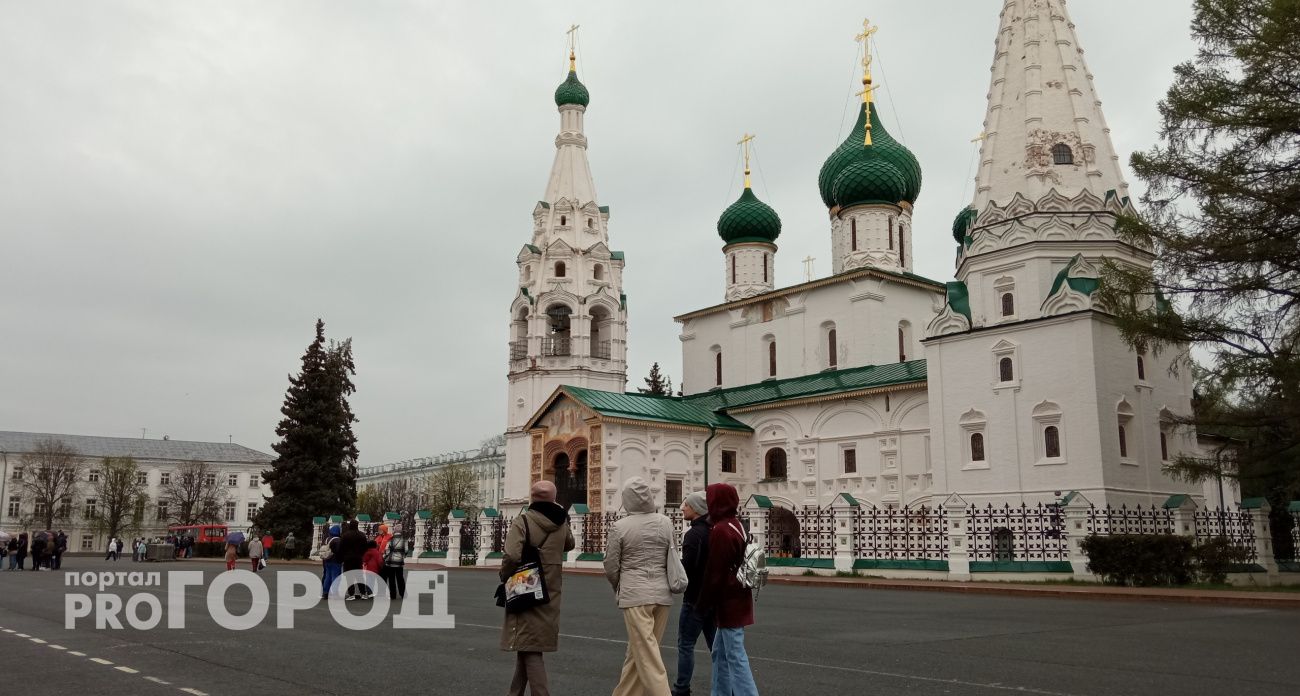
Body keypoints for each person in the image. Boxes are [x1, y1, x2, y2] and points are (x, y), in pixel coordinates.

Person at [500, 481, 575, 696]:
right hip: (550, 590)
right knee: (528, 644)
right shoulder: (560, 522)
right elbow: (569, 544)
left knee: (530, 649)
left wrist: (504, 575)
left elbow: (512, 555)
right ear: (554, 497)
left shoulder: (523, 520)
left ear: (532, 497)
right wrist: (561, 515)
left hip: (525, 588)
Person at [604, 477, 676, 696]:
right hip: (662, 595)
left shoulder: (620, 526)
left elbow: (611, 565)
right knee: (638, 653)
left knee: (647, 656)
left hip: (635, 596)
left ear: (627, 499)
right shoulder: (665, 521)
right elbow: (671, 554)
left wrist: (620, 586)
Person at [697, 483, 759, 696]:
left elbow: (715, 572)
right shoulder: (737, 524)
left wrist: (702, 605)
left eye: (710, 499)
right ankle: (720, 692)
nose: (708, 503)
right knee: (720, 653)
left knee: (735, 655)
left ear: (718, 502)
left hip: (728, 600)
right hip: (739, 595)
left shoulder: (721, 530)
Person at [672, 491, 716, 696]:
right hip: (712, 599)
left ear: (697, 509)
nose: (682, 508)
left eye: (687, 505)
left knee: (686, 644)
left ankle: (682, 689)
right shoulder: (714, 531)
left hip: (694, 600)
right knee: (716, 648)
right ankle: (726, 686)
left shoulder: (693, 535)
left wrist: (673, 569)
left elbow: (688, 567)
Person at [338, 520, 367, 600]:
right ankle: (363, 593)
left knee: (349, 576)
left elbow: (341, 548)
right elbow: (365, 547)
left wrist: (342, 557)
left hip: (348, 558)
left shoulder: (345, 535)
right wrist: (361, 554)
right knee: (359, 576)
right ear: (357, 525)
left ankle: (351, 594)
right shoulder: (362, 535)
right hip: (358, 558)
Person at [382, 525, 407, 599]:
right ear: (401, 531)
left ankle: (393, 595)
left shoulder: (390, 539)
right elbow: (406, 551)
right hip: (399, 563)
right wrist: (401, 557)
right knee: (400, 578)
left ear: (394, 531)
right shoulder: (404, 539)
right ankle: (402, 594)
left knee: (391, 579)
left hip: (390, 562)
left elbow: (387, 551)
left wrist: (384, 557)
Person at [320, 525, 343, 598]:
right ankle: (334, 593)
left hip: (327, 560)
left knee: (327, 576)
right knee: (335, 577)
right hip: (335, 561)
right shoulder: (338, 540)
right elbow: (338, 551)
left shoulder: (327, 539)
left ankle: (325, 592)